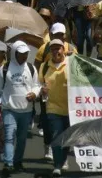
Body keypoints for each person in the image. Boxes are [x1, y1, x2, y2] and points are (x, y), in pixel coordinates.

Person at [0, 41, 40, 177]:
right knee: (9, 137)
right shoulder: (4, 69)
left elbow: (37, 85)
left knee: (22, 139)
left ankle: (18, 162)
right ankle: (8, 164)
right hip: (9, 110)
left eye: (26, 54)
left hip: (26, 111)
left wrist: (34, 93)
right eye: (21, 54)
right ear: (14, 53)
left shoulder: (31, 68)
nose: (24, 56)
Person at [39, 40, 70, 177]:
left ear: (63, 49)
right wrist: (41, 90)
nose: (56, 51)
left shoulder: (71, 64)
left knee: (67, 139)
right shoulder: (44, 66)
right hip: (52, 108)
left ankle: (63, 160)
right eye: (53, 49)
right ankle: (57, 165)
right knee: (56, 136)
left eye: (58, 49)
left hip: (70, 109)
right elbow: (37, 84)